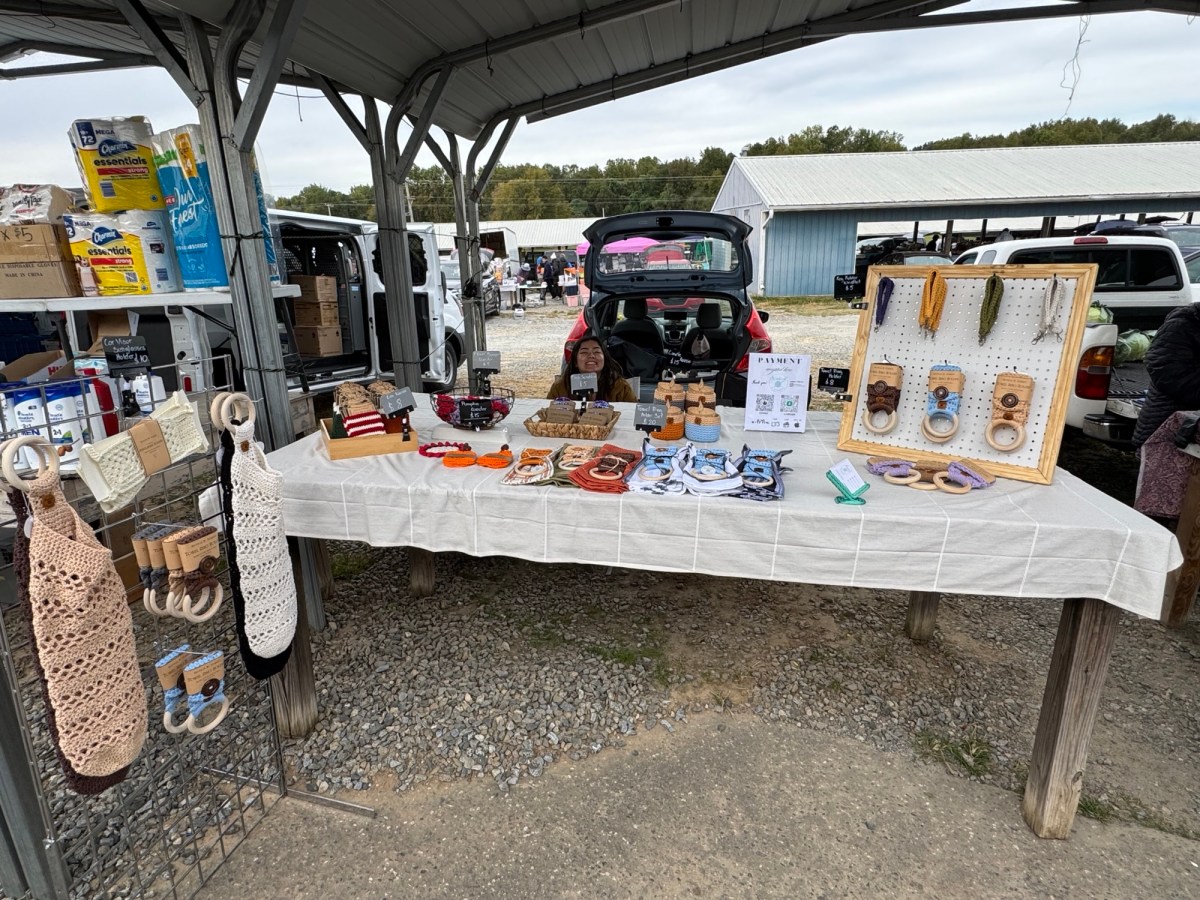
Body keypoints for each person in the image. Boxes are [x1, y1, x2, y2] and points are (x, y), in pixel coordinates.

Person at [1132, 301, 1200, 449]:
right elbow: (1166, 372)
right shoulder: (1183, 324)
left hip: (1191, 428)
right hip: (1166, 422)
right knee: (1161, 469)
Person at [546, 333, 637, 402]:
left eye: (597, 352)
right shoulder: (560, 387)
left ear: (604, 359)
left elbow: (632, 414)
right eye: (584, 352)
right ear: (575, 362)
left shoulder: (621, 387)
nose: (591, 356)